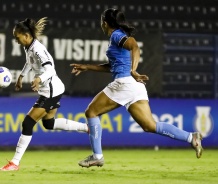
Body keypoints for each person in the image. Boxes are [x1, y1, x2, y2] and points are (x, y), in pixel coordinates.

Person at [70, 8, 203, 168]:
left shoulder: (116, 35)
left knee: (91, 112)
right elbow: (113, 66)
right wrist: (87, 67)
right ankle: (191, 137)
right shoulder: (116, 38)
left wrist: (133, 70)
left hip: (124, 83)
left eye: (101, 22)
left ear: (105, 23)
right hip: (134, 86)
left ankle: (97, 156)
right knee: (150, 126)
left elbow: (135, 47)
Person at [0, 17, 88, 171]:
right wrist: (21, 76)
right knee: (49, 123)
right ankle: (87, 128)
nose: (16, 40)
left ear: (26, 36)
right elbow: (29, 62)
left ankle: (14, 163)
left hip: (51, 91)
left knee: (27, 123)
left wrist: (39, 78)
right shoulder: (29, 47)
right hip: (52, 89)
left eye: (17, 37)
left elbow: (51, 70)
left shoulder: (38, 49)